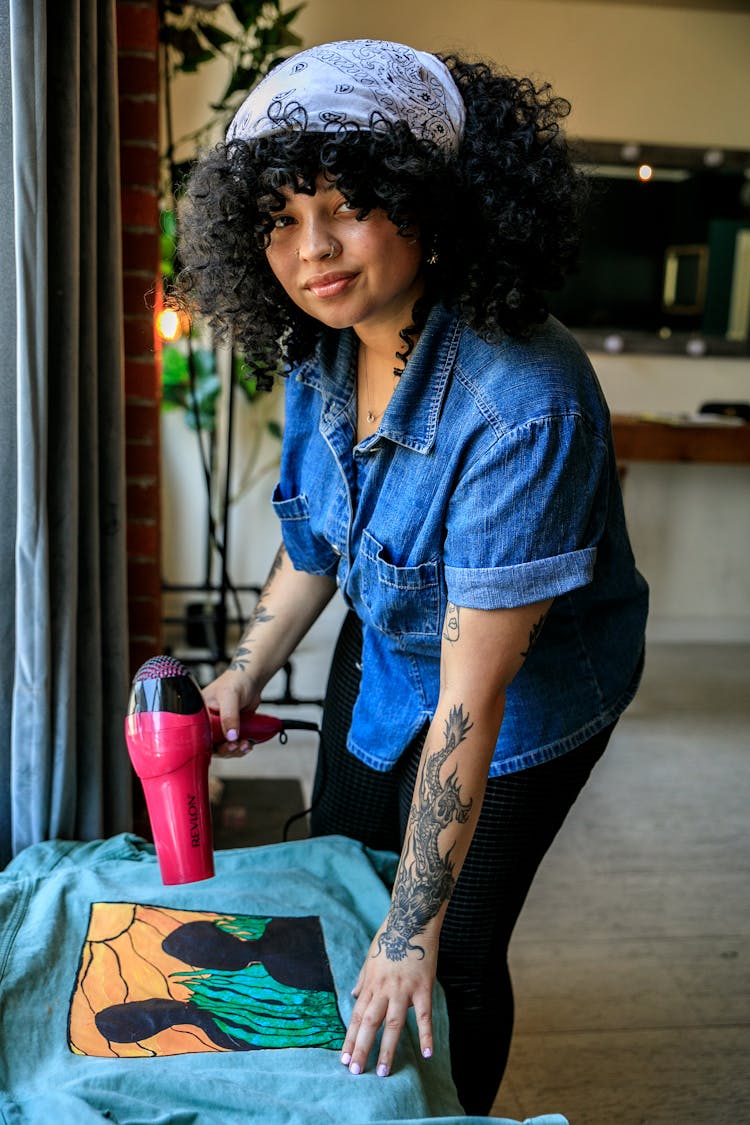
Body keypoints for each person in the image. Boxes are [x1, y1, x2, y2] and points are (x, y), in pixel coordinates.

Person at [178, 39, 649, 1115]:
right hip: (394, 634)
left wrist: (412, 933)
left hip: (523, 693)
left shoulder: (522, 401)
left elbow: (472, 699)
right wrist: (240, 676)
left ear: (429, 204)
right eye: (282, 218)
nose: (312, 251)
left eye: (345, 206)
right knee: (342, 872)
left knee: (451, 953)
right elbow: (317, 550)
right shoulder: (322, 345)